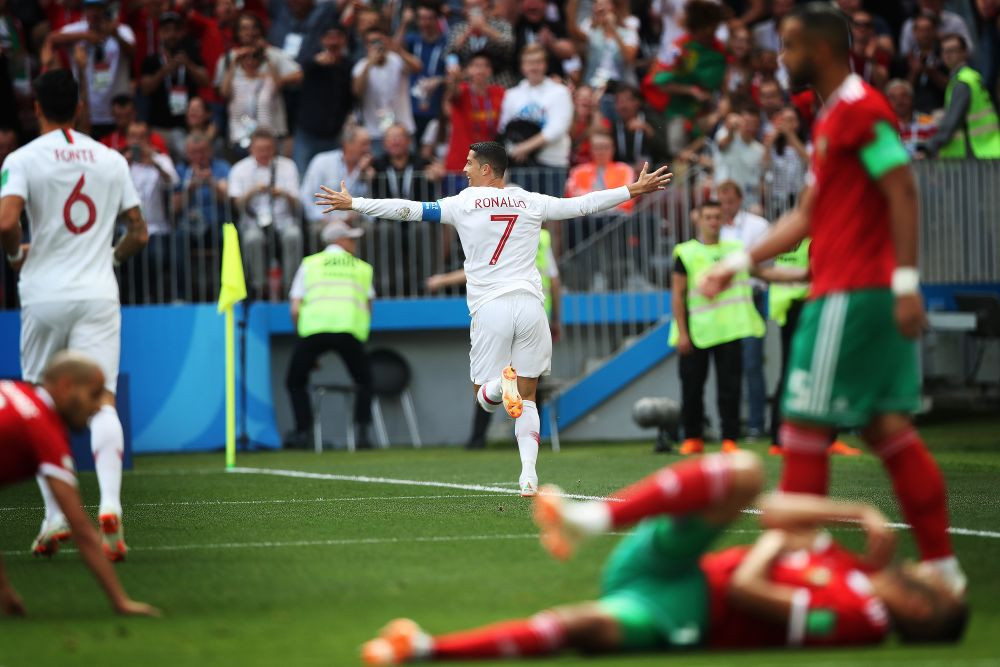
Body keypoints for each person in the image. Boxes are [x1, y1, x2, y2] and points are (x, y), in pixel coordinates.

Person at [700, 2, 968, 595]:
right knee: (886, 428)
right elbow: (807, 215)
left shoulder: (860, 111)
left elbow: (903, 190)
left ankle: (803, 563)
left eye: (788, 47)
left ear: (818, 51)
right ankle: (942, 568)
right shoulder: (830, 119)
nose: (780, 58)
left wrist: (904, 284)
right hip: (855, 292)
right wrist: (738, 263)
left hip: (851, 294)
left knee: (801, 427)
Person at [360, 451, 968, 664]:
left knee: (584, 626)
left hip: (683, 609)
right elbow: (774, 511)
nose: (921, 567)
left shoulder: (863, 620)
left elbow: (748, 592)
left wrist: (777, 545)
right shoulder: (859, 575)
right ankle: (590, 519)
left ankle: (425, 649)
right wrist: (851, 512)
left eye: (934, 582)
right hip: (673, 564)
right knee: (746, 472)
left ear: (920, 606)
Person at [316, 141, 671, 495]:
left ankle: (503, 386)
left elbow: (407, 210)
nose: (464, 170)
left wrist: (355, 204)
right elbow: (582, 205)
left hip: (491, 308)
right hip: (532, 307)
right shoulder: (530, 200)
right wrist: (632, 189)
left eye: (470, 163)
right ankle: (529, 476)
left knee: (484, 397)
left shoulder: (462, 203)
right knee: (529, 398)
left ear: (487, 169)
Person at [0, 69, 149, 560]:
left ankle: (56, 514)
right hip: (96, 292)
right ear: (81, 107)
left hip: (43, 293)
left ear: (36, 108)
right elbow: (138, 232)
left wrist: (14, 254)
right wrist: (112, 257)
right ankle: (109, 503)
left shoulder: (21, 158)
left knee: (42, 405)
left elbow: (5, 221)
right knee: (101, 398)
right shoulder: (111, 159)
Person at [0, 352, 159, 617]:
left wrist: (5, 591)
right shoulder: (41, 429)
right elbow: (82, 530)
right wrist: (120, 601)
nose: (99, 406)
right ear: (65, 387)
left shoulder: (14, 392)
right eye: (95, 394)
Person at [426, 228, 561, 449]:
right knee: (532, 386)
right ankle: (533, 438)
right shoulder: (540, 235)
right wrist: (556, 318)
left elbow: (475, 272)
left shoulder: (498, 231)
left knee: (489, 378)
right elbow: (554, 281)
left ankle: (477, 438)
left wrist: (442, 281)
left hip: (501, 314)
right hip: (536, 314)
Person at [669, 200, 764, 455]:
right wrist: (683, 333)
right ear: (697, 219)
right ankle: (693, 437)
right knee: (692, 387)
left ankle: (730, 438)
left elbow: (758, 275)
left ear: (723, 220)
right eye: (708, 217)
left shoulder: (736, 249)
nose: (712, 221)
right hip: (696, 330)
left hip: (729, 329)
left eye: (716, 217)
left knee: (730, 387)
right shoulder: (685, 251)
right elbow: (678, 295)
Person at [284, 219, 375, 450]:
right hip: (348, 330)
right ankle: (362, 434)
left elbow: (295, 307)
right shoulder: (361, 267)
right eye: (351, 238)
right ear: (340, 240)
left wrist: (301, 338)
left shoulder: (310, 264)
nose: (354, 243)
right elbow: (368, 305)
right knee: (365, 381)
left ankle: (303, 433)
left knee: (295, 381)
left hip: (313, 331)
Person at [716, 180, 769, 439]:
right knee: (727, 366)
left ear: (740, 201)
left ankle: (757, 425)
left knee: (751, 364)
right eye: (722, 202)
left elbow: (768, 258)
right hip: (725, 302)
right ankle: (731, 427)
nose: (726, 207)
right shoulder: (714, 229)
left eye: (730, 202)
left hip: (751, 296)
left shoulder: (758, 225)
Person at [228, 127, 302, 299]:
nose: (264, 153)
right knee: (253, 238)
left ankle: (290, 288)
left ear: (274, 148)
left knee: (294, 235)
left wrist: (283, 193)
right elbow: (236, 204)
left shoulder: (287, 166)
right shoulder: (240, 169)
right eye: (260, 150)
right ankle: (258, 287)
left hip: (283, 219)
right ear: (251, 149)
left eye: (268, 149)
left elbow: (298, 203)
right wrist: (252, 191)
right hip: (252, 222)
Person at [650, 0, 727, 158]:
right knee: (678, 154)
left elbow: (725, 84)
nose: (709, 34)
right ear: (695, 28)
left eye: (713, 29)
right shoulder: (678, 48)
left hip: (707, 113)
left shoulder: (719, 49)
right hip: (679, 112)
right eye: (705, 30)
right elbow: (659, 81)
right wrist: (690, 91)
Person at [48, 0, 135, 139]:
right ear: (84, 11)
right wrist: (85, 36)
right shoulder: (78, 28)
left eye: (98, 9)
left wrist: (115, 35)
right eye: (90, 9)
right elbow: (52, 38)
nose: (94, 13)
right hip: (86, 113)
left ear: (105, 10)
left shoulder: (122, 30)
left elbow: (132, 53)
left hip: (116, 112)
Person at [497, 44, 573, 194]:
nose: (534, 67)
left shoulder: (560, 92)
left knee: (552, 214)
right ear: (523, 66)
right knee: (523, 214)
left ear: (545, 65)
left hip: (552, 162)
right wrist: (514, 149)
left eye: (538, 62)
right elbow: (504, 127)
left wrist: (525, 147)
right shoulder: (512, 94)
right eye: (529, 63)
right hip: (521, 164)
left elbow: (557, 128)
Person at [138, 10, 209, 160]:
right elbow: (144, 89)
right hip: (159, 127)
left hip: (185, 129)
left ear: (182, 33)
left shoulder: (192, 57)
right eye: (166, 30)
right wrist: (164, 71)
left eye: (176, 30)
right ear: (159, 34)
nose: (171, 34)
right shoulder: (152, 60)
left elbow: (205, 80)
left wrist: (188, 65)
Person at [123, 120, 180, 304]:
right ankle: (133, 302)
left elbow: (173, 182)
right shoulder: (120, 162)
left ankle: (155, 301)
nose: (137, 142)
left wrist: (154, 162)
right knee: (127, 262)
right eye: (133, 137)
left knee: (155, 257)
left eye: (141, 137)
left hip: (157, 228)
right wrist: (127, 162)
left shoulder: (161, 159)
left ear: (148, 139)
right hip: (127, 230)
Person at [924, 33, 1000, 159]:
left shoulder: (962, 82)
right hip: (989, 149)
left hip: (974, 152)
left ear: (964, 53)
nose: (948, 55)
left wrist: (929, 148)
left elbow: (951, 123)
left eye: (953, 50)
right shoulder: (972, 77)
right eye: (945, 51)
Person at [293, 24, 354, 175]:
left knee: (333, 177)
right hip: (307, 132)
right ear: (322, 41)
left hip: (334, 134)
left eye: (337, 37)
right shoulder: (310, 62)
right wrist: (314, 63)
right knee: (302, 174)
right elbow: (294, 79)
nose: (333, 42)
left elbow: (352, 96)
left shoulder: (348, 66)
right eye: (329, 37)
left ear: (344, 41)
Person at [352, 25, 421, 156]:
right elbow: (357, 91)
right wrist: (370, 62)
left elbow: (417, 67)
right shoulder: (361, 66)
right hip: (375, 133)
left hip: (403, 129)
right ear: (366, 46)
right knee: (379, 174)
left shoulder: (396, 59)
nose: (377, 45)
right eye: (373, 42)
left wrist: (397, 49)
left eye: (380, 40)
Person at [300, 125, 373, 231]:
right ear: (348, 145)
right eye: (363, 144)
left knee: (370, 230)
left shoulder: (368, 168)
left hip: (355, 222)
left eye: (368, 144)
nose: (368, 149)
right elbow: (305, 196)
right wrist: (323, 217)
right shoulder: (321, 161)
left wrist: (365, 177)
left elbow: (371, 203)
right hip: (324, 220)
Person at [398, 1, 449, 143]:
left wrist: (439, 79)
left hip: (436, 110)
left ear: (437, 19)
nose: (424, 23)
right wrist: (404, 24)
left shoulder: (446, 43)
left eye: (429, 18)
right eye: (421, 18)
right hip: (410, 109)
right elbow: (395, 50)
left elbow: (457, 74)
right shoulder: (413, 40)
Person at [886, 78, 939, 157]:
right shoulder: (885, 126)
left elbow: (937, 151)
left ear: (912, 98)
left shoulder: (929, 122)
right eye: (893, 98)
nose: (899, 101)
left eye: (903, 96)